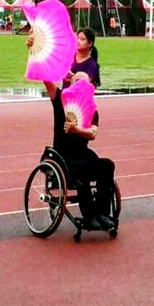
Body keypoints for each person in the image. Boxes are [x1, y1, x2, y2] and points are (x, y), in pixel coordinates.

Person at [40, 79, 115, 231]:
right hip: (63, 156)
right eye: (77, 81)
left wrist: (76, 130)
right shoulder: (61, 99)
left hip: (83, 154)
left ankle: (102, 213)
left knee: (107, 165)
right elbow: (48, 82)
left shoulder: (91, 110)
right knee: (82, 170)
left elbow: (92, 133)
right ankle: (89, 216)